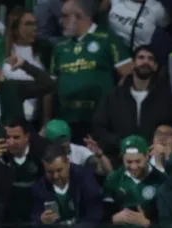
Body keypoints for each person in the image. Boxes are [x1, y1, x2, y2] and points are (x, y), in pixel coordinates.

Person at [51, 0, 132, 142]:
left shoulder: (107, 39)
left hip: (99, 120)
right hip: (65, 120)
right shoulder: (60, 46)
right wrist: (47, 118)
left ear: (78, 16)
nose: (60, 21)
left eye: (64, 16)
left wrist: (115, 103)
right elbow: (51, 85)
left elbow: (130, 75)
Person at [92, 45, 172, 163]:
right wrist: (122, 143)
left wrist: (154, 146)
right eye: (141, 57)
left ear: (155, 66)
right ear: (132, 64)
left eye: (150, 59)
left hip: (154, 158)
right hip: (118, 157)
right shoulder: (113, 97)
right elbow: (99, 127)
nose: (145, 62)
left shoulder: (166, 99)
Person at [32, 143, 104, 228]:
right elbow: (34, 218)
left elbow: (95, 215)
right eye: (50, 172)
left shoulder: (86, 180)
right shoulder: (40, 187)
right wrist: (41, 221)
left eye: (59, 170)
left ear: (68, 163)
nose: (55, 176)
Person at [102, 134, 166, 228]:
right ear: (122, 158)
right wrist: (113, 219)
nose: (134, 167)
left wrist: (147, 223)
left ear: (147, 156)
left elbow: (169, 221)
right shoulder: (113, 179)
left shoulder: (161, 180)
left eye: (138, 161)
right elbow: (101, 217)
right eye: (129, 162)